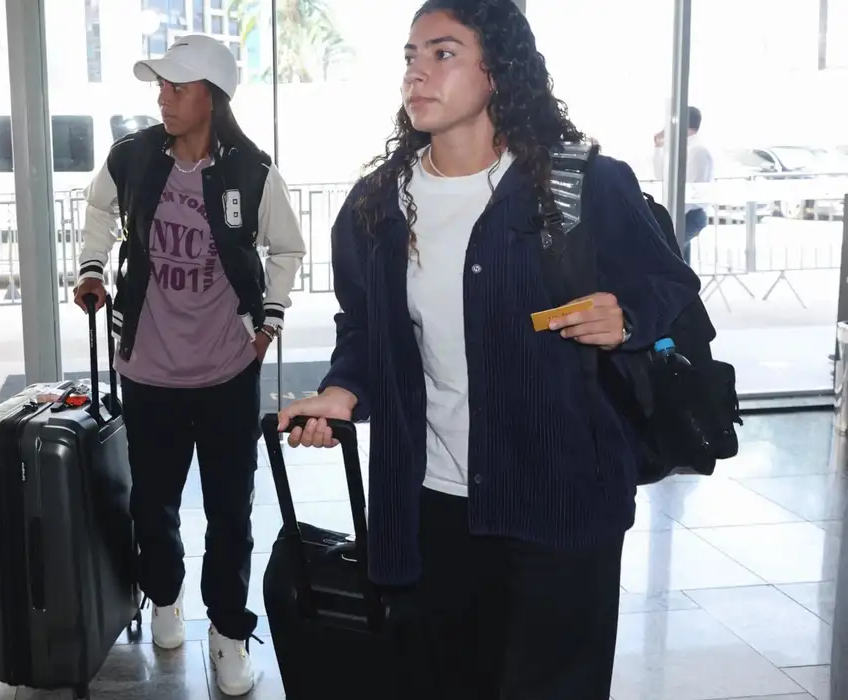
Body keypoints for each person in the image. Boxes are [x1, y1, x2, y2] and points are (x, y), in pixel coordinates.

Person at [275, 1, 700, 698]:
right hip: (437, 503)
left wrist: (625, 319)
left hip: (564, 496)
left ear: (498, 70)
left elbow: (668, 283)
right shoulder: (378, 207)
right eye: (411, 57)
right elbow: (367, 330)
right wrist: (343, 391)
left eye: (442, 54)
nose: (417, 72)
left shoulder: (582, 184)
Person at [72, 34, 305, 697]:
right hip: (148, 369)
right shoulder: (134, 159)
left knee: (232, 509)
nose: (162, 98)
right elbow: (96, 212)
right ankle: (165, 596)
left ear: (211, 97)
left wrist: (268, 321)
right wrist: (92, 270)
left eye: (177, 87)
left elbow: (286, 249)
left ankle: (229, 633)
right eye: (161, 87)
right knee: (154, 503)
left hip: (229, 373)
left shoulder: (252, 174)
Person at [654, 106, 714, 264]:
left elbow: (696, 191)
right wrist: (658, 147)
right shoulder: (679, 149)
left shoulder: (698, 151)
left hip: (690, 216)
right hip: (678, 214)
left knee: (670, 255)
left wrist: (673, 216)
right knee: (679, 262)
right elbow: (660, 175)